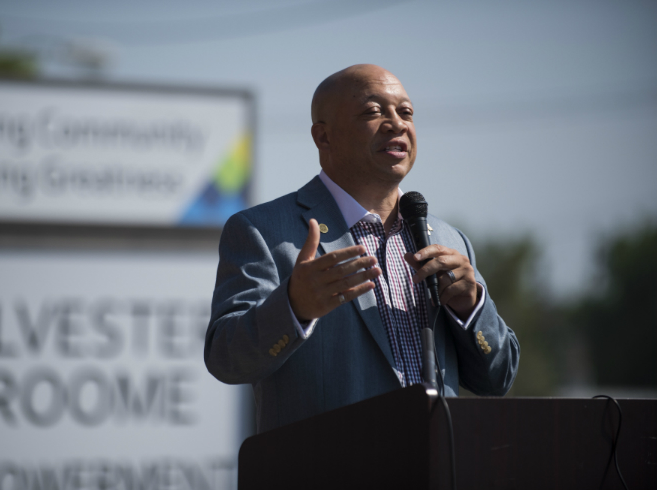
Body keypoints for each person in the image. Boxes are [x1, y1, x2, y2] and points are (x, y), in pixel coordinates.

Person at [204, 64, 519, 433]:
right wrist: (294, 307)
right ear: (324, 138)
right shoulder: (264, 231)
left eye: (406, 112)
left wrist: (471, 308)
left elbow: (498, 379)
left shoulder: (449, 240)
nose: (397, 124)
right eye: (374, 112)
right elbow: (226, 359)